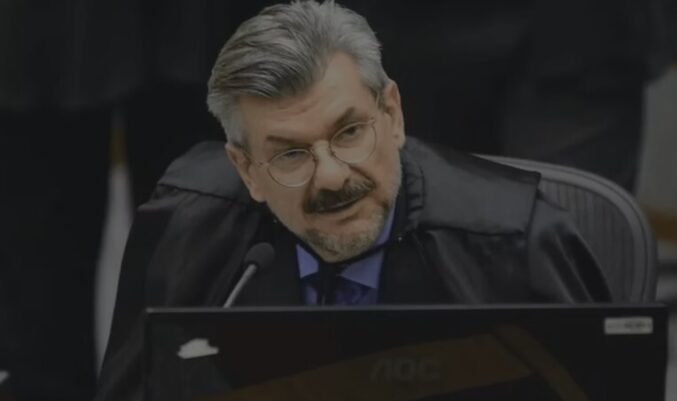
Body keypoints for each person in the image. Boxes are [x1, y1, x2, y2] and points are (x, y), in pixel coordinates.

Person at [95, 1, 611, 399]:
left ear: (393, 115)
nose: (332, 177)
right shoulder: (190, 230)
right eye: (291, 154)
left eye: (349, 133)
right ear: (247, 170)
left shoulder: (513, 242)